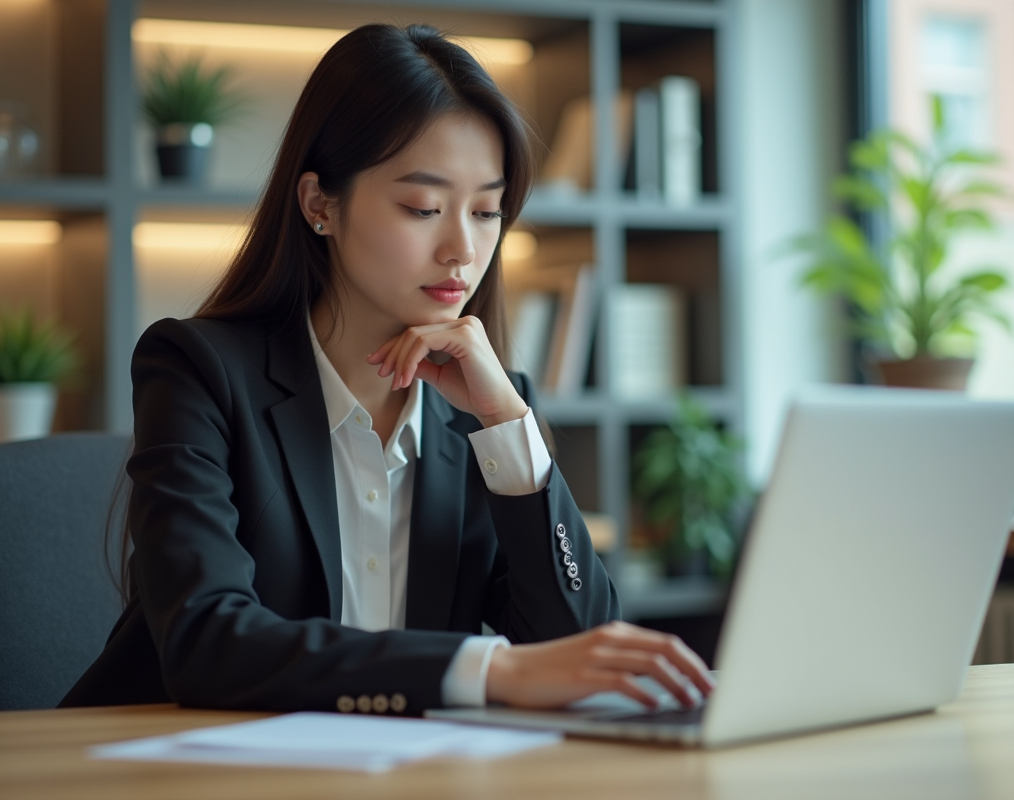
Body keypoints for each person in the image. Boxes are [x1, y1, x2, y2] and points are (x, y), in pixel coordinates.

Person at [62, 23, 714, 715]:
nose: (463, 248)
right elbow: (206, 643)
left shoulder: (487, 412)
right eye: (422, 207)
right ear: (320, 205)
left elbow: (579, 641)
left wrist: (509, 430)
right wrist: (484, 670)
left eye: (488, 211)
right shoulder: (199, 371)